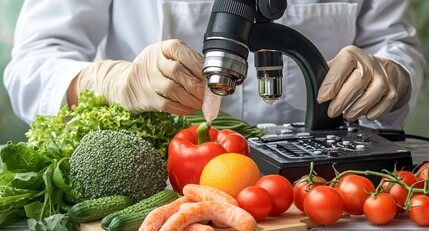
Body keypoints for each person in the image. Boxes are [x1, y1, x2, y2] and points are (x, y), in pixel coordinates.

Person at [3, 0, 425, 130]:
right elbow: (34, 62)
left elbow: (394, 41)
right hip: (159, 186)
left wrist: (394, 76)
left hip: (322, 192)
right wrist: (109, 80)